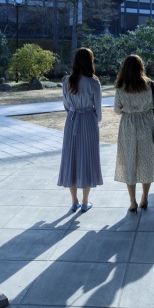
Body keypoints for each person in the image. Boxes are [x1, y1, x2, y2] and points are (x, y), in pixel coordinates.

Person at [113, 54, 154, 212]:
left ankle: (132, 201)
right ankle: (145, 198)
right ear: (141, 67)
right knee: (146, 162)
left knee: (130, 162)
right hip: (147, 125)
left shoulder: (121, 88)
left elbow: (116, 110)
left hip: (128, 126)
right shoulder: (151, 85)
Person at [58, 47, 103, 212]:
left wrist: (73, 113)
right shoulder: (93, 82)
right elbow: (98, 109)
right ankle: (85, 201)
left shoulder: (66, 81)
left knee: (72, 159)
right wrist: (94, 120)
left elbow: (66, 105)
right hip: (88, 121)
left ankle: (74, 201)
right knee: (87, 159)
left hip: (72, 120)